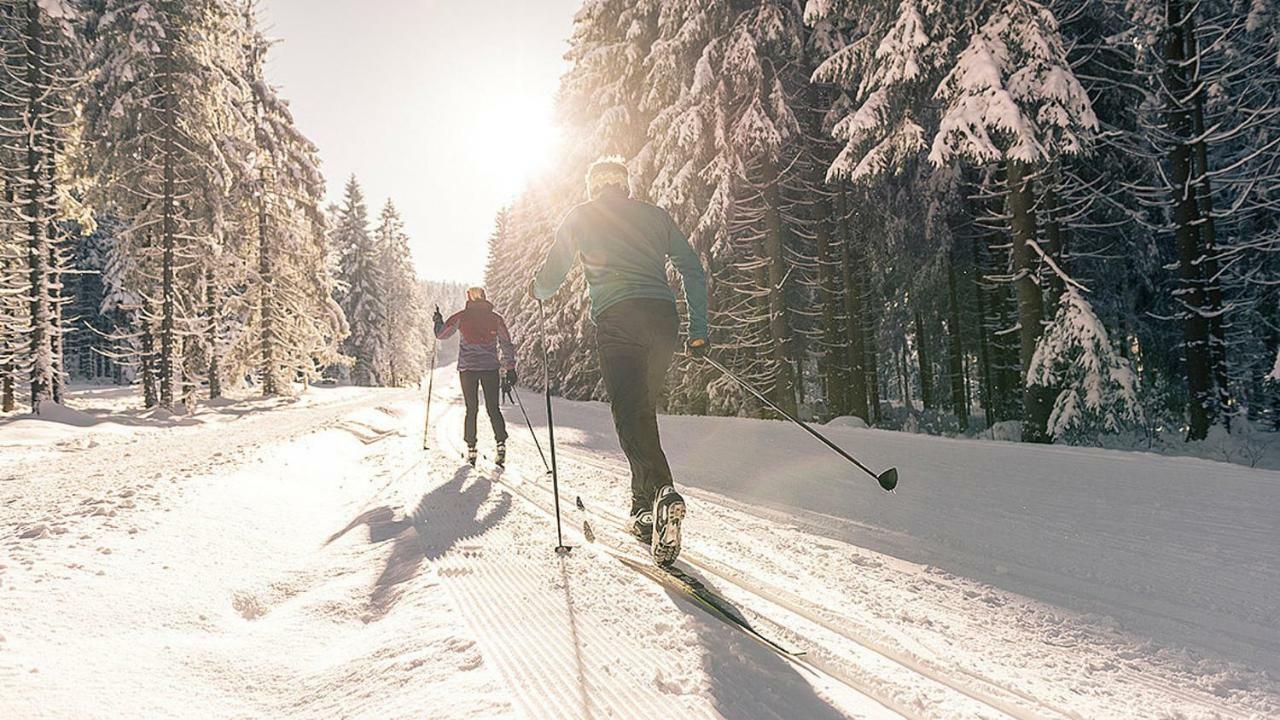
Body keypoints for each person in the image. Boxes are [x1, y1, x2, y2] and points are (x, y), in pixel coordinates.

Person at [531, 156, 709, 566]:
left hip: (618, 320)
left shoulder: (581, 216)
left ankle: (664, 492)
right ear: (625, 185)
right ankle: (642, 510)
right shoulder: (655, 216)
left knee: (629, 414)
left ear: (595, 187)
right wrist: (698, 330)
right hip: (663, 321)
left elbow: (553, 274)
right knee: (641, 412)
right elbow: (692, 270)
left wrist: (537, 289)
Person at [434, 288, 518, 467]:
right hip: (490, 369)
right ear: (485, 298)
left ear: (469, 298)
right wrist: (510, 367)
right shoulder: (496, 319)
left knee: (471, 409)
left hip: (468, 369)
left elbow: (442, 335)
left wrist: (438, 322)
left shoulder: (461, 316)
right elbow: (506, 343)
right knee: (493, 409)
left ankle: (471, 448)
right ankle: (501, 445)